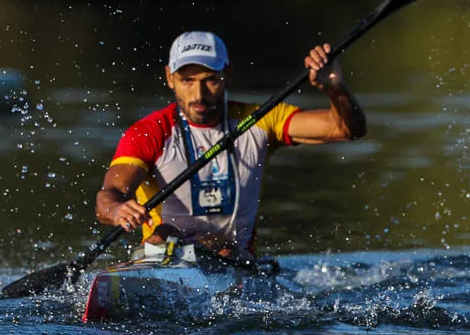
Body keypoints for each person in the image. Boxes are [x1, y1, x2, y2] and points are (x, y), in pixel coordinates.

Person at [95, 31, 366, 261]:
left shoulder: (260, 121)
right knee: (165, 234)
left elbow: (345, 129)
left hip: (233, 261)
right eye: (187, 80)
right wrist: (117, 210)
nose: (199, 95)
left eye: (210, 79)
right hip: (163, 255)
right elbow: (110, 194)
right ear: (169, 78)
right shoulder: (149, 133)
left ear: (228, 75)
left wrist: (335, 88)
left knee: (223, 249)